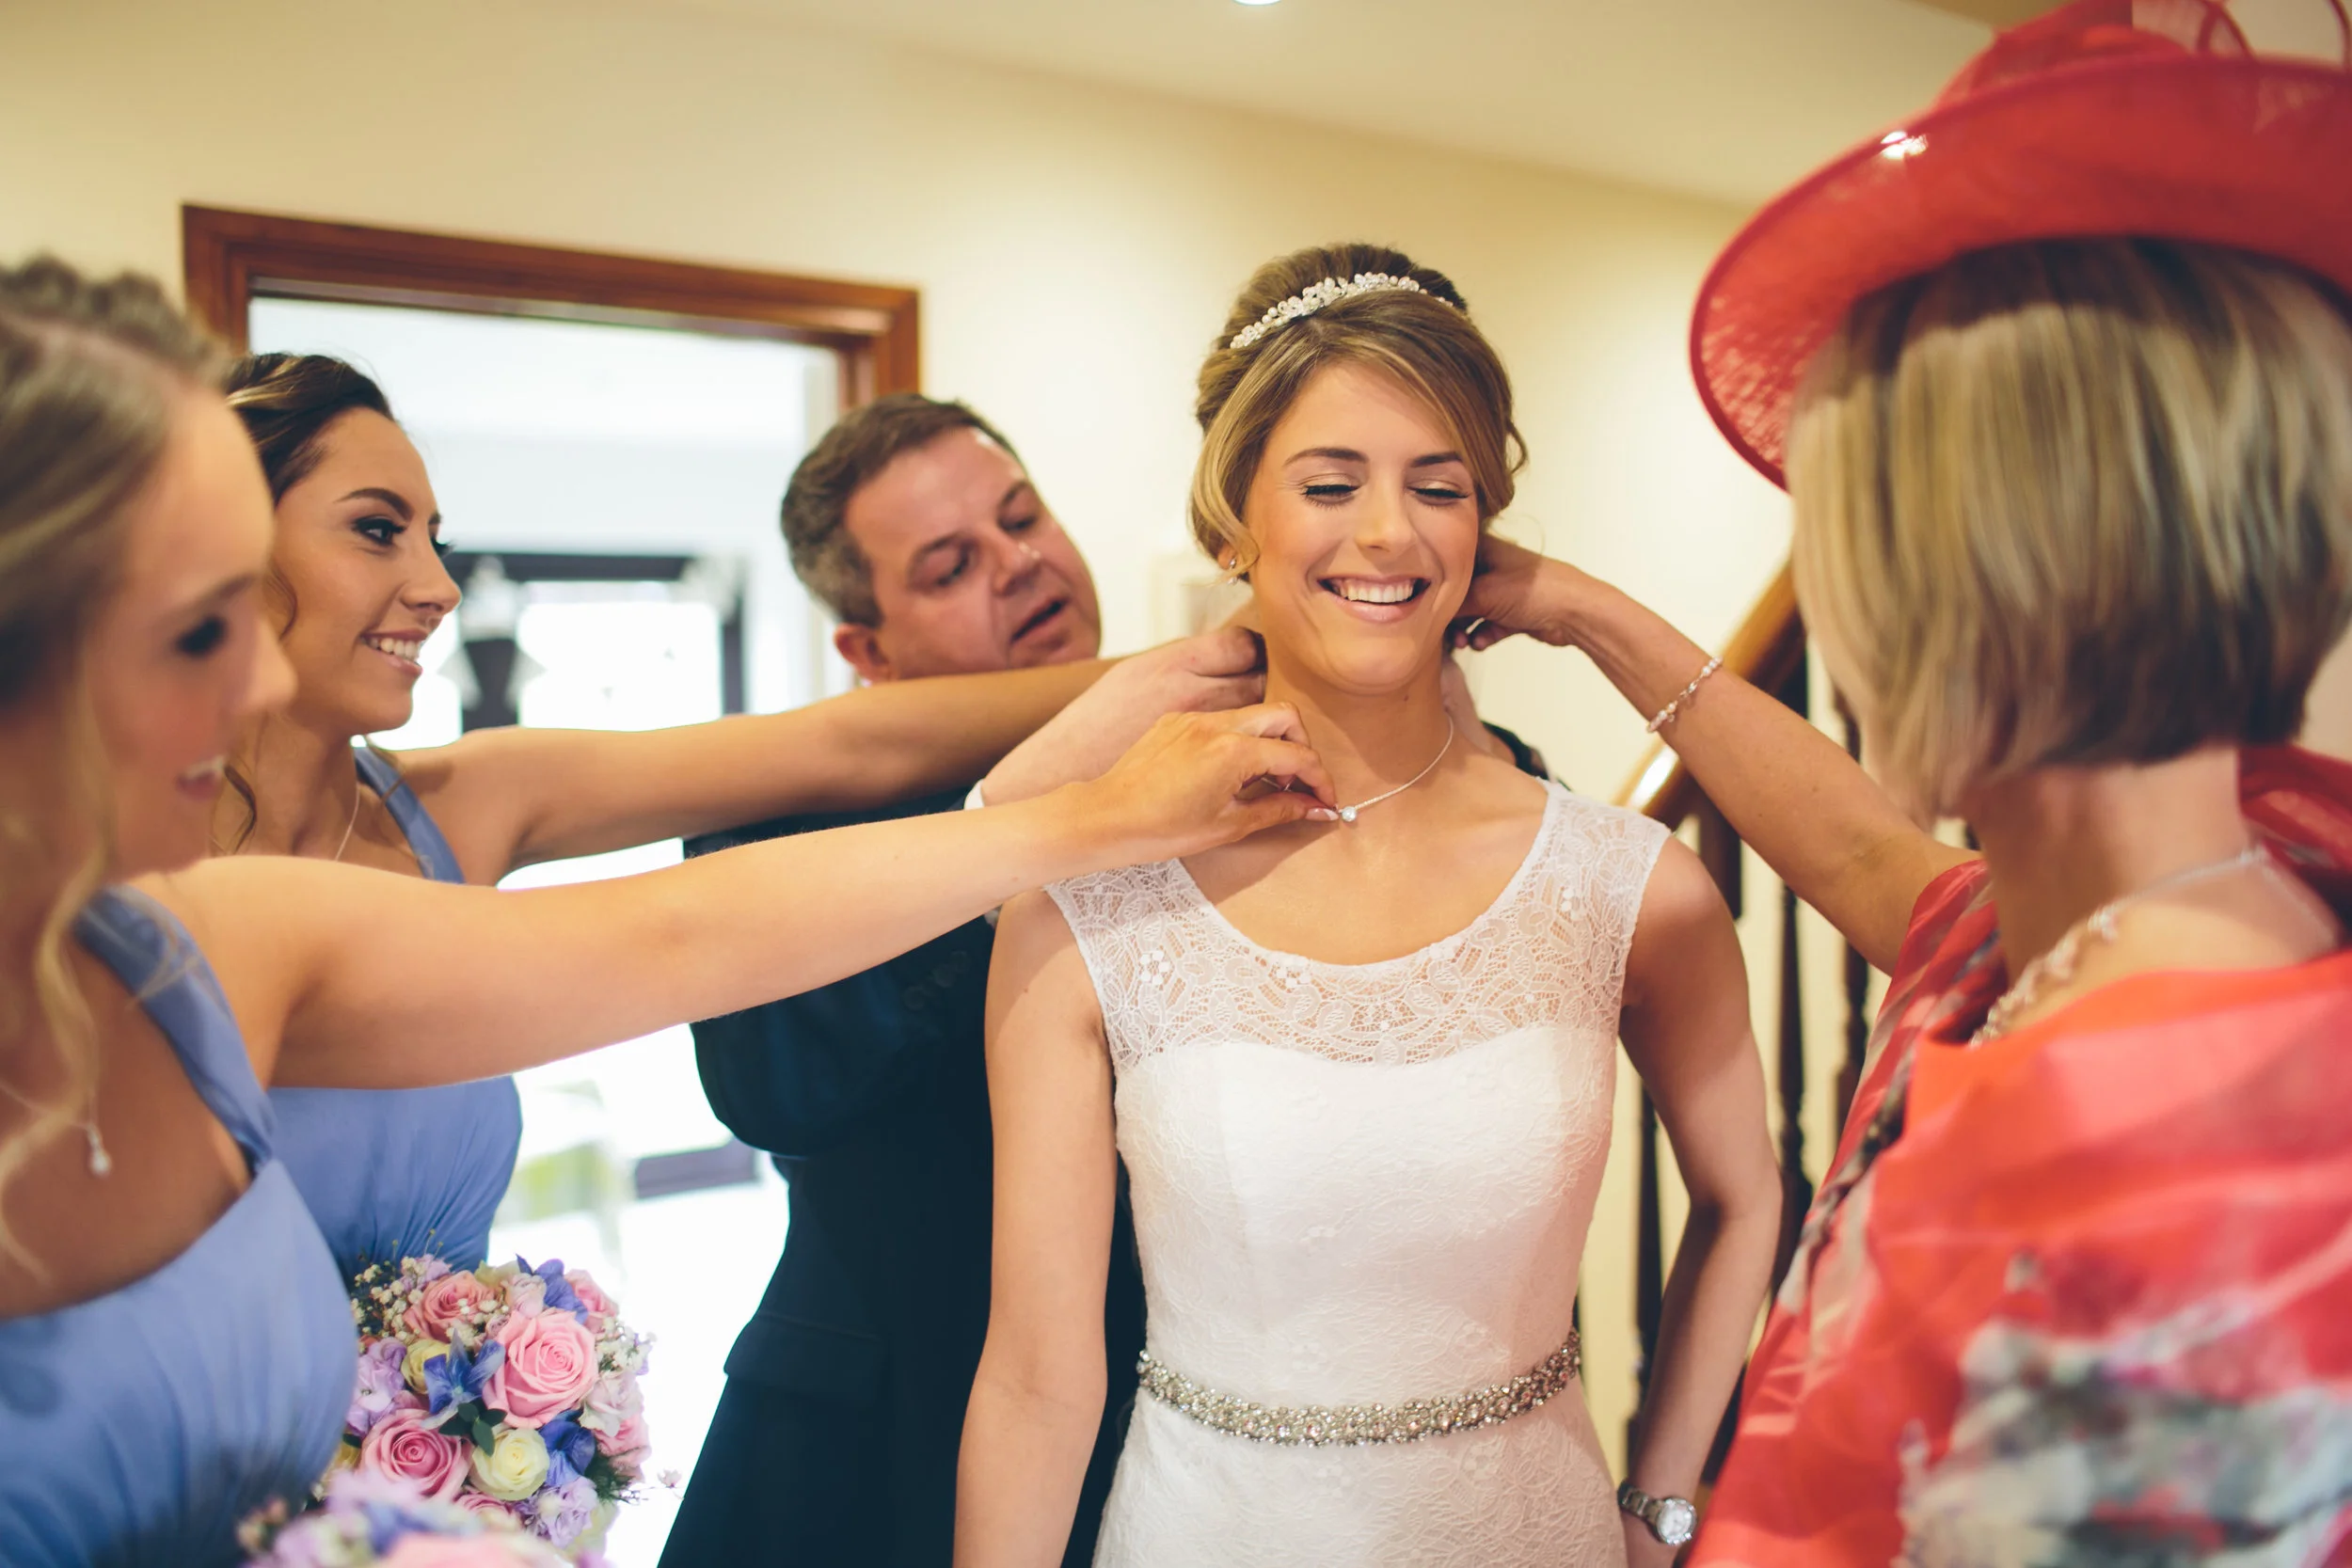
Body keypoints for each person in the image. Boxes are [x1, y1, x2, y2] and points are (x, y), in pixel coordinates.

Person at [0, 256, 1335, 1568]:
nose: (247, 684)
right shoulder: (228, 928)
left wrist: (1192, 718)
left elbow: (692, 917)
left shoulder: (222, 942)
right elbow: (710, 937)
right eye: (197, 620)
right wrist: (1073, 815)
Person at [1455, 4, 2352, 1558]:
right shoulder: (2123, 912)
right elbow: (1873, 858)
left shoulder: (2162, 1140)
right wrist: (1584, 609)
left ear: (1947, 576)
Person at [955, 244, 1783, 1567]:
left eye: (1438, 487)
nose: (1389, 532)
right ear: (1234, 521)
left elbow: (1746, 1194)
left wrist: (1665, 1500)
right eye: (1330, 483)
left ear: (1484, 529)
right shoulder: (1086, 903)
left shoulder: (1631, 886)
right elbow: (1039, 1376)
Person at [665, 392, 1560, 1568]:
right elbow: (780, 1080)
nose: (1019, 564)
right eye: (949, 566)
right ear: (868, 650)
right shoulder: (779, 818)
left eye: (1022, 518)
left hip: (1173, 1439)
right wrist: (1025, 801)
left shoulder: (1225, 760)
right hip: (866, 1456)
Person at [213, 359, 1255, 1286]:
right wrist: (1085, 811)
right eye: (376, 528)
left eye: (434, 539)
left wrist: (1262, 647)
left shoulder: (460, 799)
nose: (437, 587)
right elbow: (683, 933)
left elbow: (856, 745)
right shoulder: (135, 881)